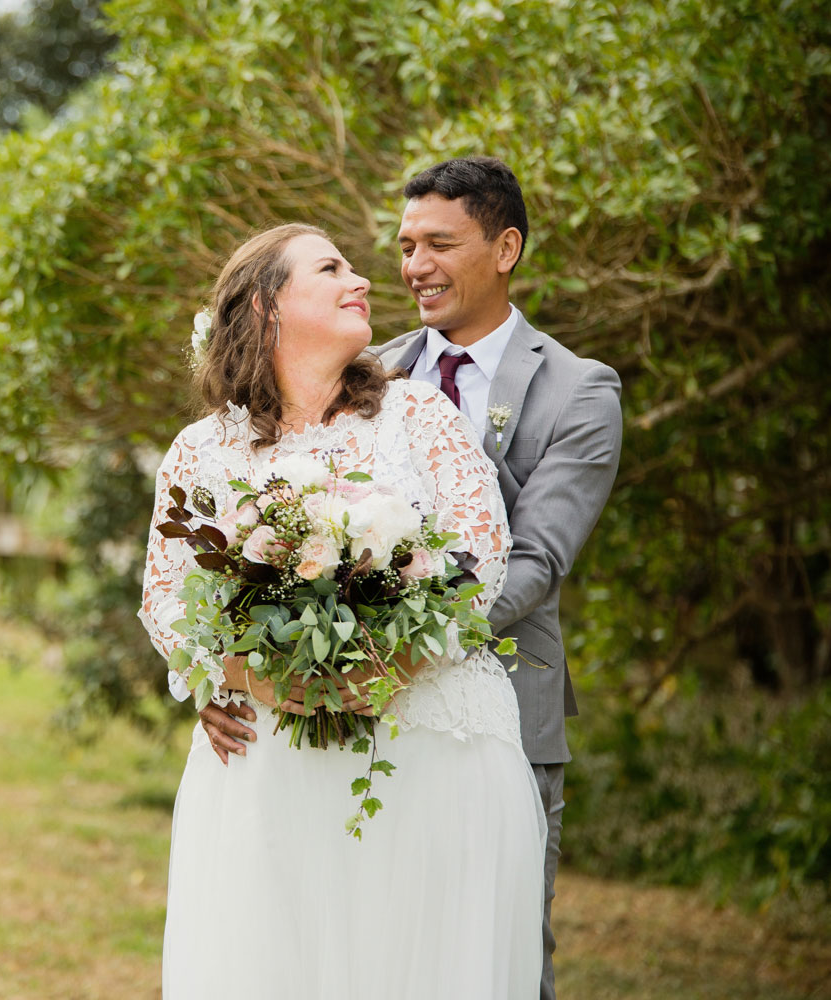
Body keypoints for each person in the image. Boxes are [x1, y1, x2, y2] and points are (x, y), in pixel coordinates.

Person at [195, 158, 624, 1000]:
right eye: (403, 245)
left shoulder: (579, 390)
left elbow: (534, 560)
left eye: (438, 243)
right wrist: (238, 666)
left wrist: (393, 654)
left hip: (490, 708)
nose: (412, 266)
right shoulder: (366, 369)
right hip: (336, 725)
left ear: (505, 248)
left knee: (496, 959)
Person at [139, 222, 546, 998]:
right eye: (331, 268)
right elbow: (166, 598)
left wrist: (389, 666)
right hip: (270, 766)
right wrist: (245, 677)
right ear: (267, 308)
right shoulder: (202, 450)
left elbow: (480, 561)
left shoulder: (419, 416)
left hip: (431, 752)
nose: (362, 280)